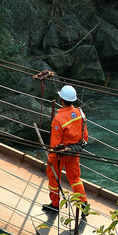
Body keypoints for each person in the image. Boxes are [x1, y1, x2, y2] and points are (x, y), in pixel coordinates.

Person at [44, 85, 88, 215]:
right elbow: (85, 135)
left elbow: (55, 143)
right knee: (74, 178)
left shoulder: (59, 119)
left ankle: (55, 204)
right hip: (74, 151)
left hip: (60, 154)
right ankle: (83, 202)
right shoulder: (81, 114)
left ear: (61, 100)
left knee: (53, 177)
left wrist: (52, 155)